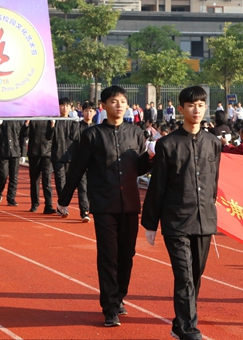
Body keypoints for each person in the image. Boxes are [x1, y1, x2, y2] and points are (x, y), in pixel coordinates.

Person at [57, 86, 153, 327]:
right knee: (108, 255)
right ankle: (109, 307)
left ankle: (119, 296)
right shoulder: (92, 135)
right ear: (103, 106)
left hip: (130, 204)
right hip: (103, 204)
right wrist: (64, 200)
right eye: (113, 101)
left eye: (122, 101)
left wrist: (152, 158)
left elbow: (139, 169)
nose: (119, 105)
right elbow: (77, 169)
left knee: (127, 255)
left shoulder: (136, 133)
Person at [142, 86, 221, 340]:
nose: (196, 109)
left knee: (195, 276)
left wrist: (212, 208)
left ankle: (179, 323)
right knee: (185, 274)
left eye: (200, 104)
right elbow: (158, 186)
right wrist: (151, 224)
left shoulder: (214, 143)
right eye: (191, 105)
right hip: (176, 220)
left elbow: (214, 181)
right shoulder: (168, 144)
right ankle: (188, 328)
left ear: (206, 107)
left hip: (204, 220)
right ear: (181, 109)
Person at [21, 118, 55, 214]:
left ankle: (48, 205)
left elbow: (51, 136)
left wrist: (52, 126)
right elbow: (24, 134)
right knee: (34, 179)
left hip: (47, 154)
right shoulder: (33, 118)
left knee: (47, 180)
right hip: (34, 153)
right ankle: (34, 204)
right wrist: (26, 124)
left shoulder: (50, 119)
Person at [51, 98, 79, 210]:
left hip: (70, 157)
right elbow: (49, 137)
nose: (64, 108)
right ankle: (63, 206)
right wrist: (52, 126)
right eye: (62, 105)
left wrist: (76, 124)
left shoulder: (73, 121)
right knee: (60, 181)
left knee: (69, 182)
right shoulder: (54, 121)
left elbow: (75, 137)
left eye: (67, 106)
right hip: (58, 155)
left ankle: (63, 204)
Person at [0, 119, 26, 207]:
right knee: (3, 175)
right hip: (3, 152)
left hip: (15, 152)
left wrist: (23, 154)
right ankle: (0, 191)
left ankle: (11, 198)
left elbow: (22, 137)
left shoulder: (18, 121)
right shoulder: (0, 120)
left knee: (14, 177)